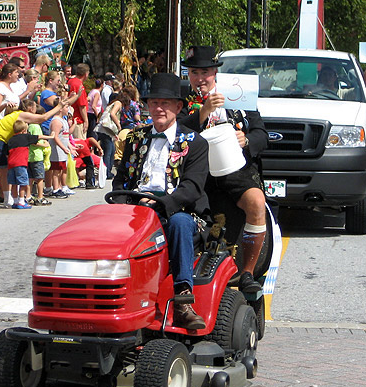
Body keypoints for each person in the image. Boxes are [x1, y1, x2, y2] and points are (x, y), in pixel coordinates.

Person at [112, 72, 209, 329]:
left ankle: (183, 301)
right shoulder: (134, 138)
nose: (158, 108)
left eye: (165, 103)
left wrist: (164, 204)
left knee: (179, 223)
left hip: (179, 210)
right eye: (154, 102)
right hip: (136, 209)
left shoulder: (195, 142)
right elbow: (120, 181)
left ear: (178, 107)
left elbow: (192, 187)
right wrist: (126, 205)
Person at [177, 46, 269, 293]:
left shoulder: (238, 96)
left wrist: (246, 140)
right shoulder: (182, 101)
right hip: (199, 172)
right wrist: (203, 112)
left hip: (236, 169)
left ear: (215, 73)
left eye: (204, 72)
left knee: (257, 202)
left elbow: (262, 133)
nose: (199, 78)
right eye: (194, 73)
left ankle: (248, 272)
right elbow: (174, 132)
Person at [0, 95, 66, 205]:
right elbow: (43, 118)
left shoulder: (20, 115)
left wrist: (74, 97)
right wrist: (59, 107)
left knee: (5, 169)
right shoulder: (22, 115)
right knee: (4, 168)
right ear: (30, 108)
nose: (36, 108)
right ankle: (7, 197)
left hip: (1, 139)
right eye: (35, 106)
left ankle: (7, 196)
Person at [7, 120, 52, 209]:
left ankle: (15, 201)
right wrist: (50, 136)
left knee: (14, 183)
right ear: (24, 130)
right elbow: (38, 136)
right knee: (23, 182)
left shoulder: (11, 139)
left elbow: (6, 153)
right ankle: (21, 201)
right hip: (21, 163)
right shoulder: (26, 137)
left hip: (11, 164)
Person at [94, 94, 122, 180]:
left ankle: (108, 171)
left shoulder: (109, 105)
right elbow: (113, 114)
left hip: (104, 129)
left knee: (111, 150)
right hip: (105, 130)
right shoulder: (118, 103)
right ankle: (106, 172)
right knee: (108, 151)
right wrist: (118, 125)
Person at [66, 63, 89, 138]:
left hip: (70, 118)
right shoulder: (79, 85)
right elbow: (81, 105)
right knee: (80, 144)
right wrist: (86, 120)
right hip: (78, 120)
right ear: (86, 74)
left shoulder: (71, 81)